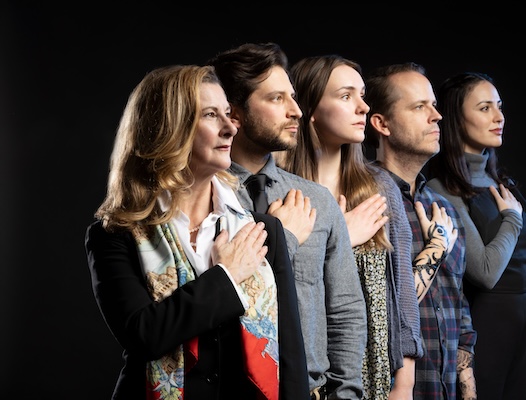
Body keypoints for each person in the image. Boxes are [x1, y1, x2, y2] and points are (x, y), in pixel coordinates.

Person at [84, 64, 309, 400]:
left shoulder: (264, 231)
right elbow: (146, 335)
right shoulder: (114, 234)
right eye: (209, 115)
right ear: (167, 129)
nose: (230, 129)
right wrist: (227, 275)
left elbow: (290, 362)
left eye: (228, 114)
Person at [280, 54, 457, 400]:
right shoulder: (282, 190)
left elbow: (401, 297)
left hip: (376, 375)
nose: (362, 107)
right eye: (347, 97)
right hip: (303, 372)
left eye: (362, 95)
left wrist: (403, 385)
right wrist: (340, 236)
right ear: (309, 108)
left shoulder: (379, 188)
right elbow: (278, 286)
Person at [208, 43, 368, 399]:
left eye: (293, 98)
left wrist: (345, 395)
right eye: (277, 99)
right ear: (234, 114)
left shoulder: (317, 202)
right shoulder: (203, 199)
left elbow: (345, 310)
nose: (295, 111)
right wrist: (282, 238)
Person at [427, 71, 526, 400]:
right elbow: (486, 271)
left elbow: (521, 273)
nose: (498, 116)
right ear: (455, 119)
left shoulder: (502, 184)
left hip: (520, 335)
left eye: (499, 106)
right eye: (484, 108)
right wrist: (511, 219)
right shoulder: (442, 190)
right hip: (483, 332)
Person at [364, 62, 477, 400]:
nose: (437, 116)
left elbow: (459, 306)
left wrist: (468, 389)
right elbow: (378, 310)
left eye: (433, 105)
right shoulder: (365, 199)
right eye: (419, 107)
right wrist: (436, 248)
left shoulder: (440, 207)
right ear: (382, 124)